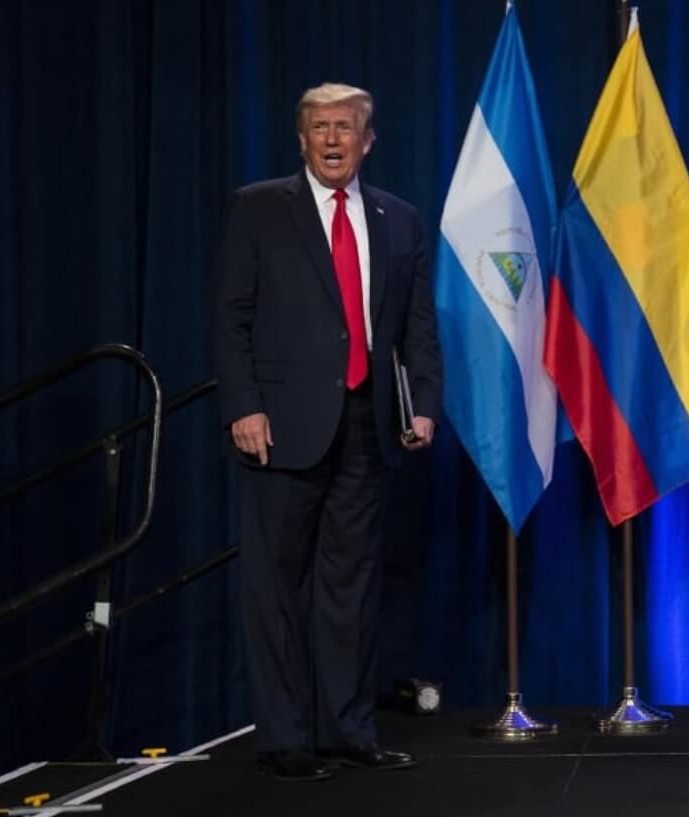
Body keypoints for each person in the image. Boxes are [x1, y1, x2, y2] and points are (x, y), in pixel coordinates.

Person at [212, 82, 442, 782]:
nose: (333, 139)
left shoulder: (398, 218)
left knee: (350, 585)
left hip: (368, 425)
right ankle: (284, 738)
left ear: (367, 140)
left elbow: (416, 326)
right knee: (276, 585)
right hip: (280, 427)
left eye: (345, 127)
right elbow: (230, 319)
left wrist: (422, 403)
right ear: (302, 139)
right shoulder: (258, 207)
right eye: (319, 128)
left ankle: (347, 728)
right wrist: (243, 406)